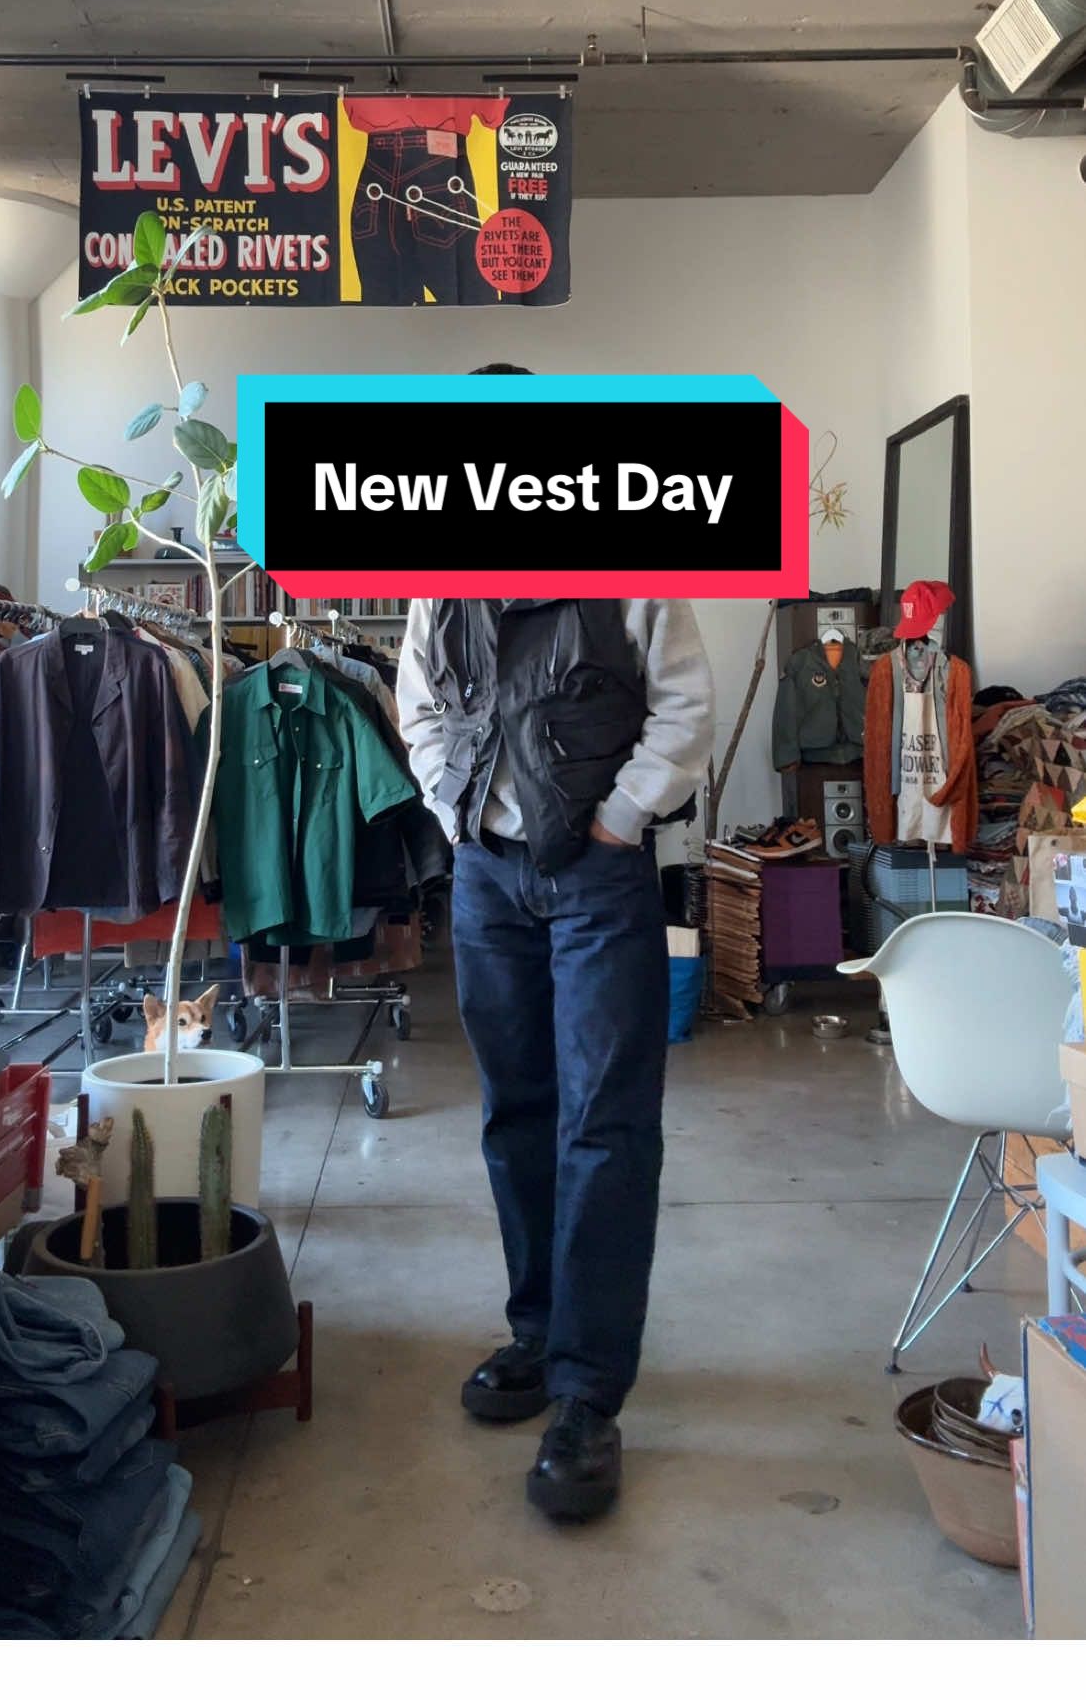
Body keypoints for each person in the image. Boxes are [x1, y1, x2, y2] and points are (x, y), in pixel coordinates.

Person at [398, 588, 714, 1520]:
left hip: (597, 873)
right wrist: (453, 808)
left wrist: (619, 820)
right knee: (517, 1111)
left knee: (607, 1124)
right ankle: (536, 1333)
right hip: (485, 874)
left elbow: (685, 705)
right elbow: (420, 703)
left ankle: (587, 1392)